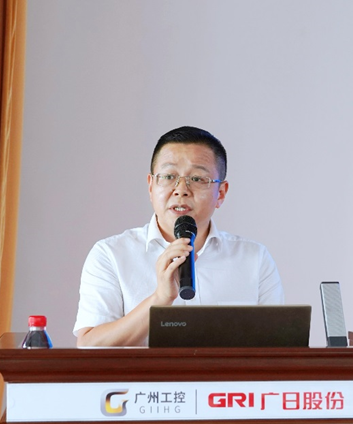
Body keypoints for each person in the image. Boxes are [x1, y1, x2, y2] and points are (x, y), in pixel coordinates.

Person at [74, 126, 284, 346]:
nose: (181, 189)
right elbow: (89, 345)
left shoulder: (254, 258)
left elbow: (280, 348)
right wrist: (160, 299)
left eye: (198, 179)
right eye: (168, 176)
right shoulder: (111, 254)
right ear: (151, 186)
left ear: (220, 193)